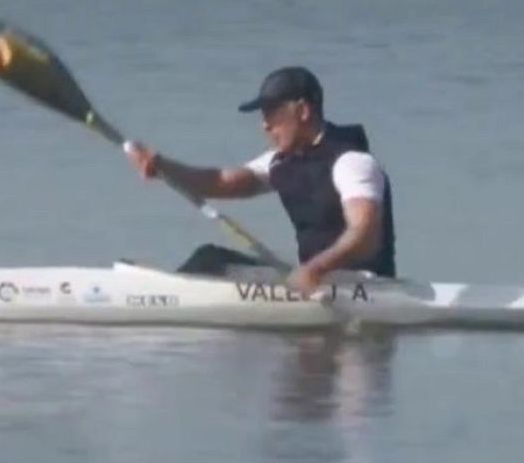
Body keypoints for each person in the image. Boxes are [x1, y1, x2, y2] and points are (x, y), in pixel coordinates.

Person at [123, 66, 396, 295]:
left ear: (302, 111)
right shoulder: (281, 161)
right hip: (315, 282)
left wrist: (314, 269)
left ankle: (164, 297)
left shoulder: (351, 163)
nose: (265, 125)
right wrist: (162, 166)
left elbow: (365, 236)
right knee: (211, 259)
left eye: (272, 113)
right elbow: (221, 181)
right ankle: (166, 293)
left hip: (365, 288)